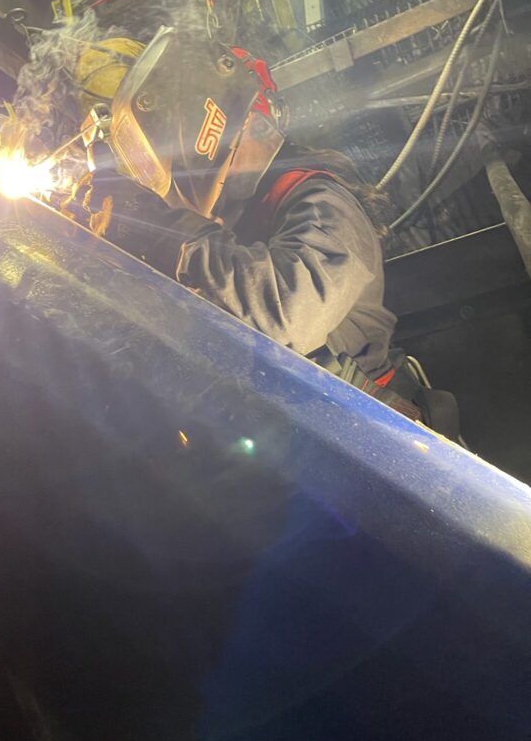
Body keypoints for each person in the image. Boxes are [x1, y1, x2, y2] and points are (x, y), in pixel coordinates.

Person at [73, 26, 459, 437]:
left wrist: (165, 234)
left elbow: (288, 313)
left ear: (212, 128)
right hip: (292, 438)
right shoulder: (229, 219)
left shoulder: (322, 201)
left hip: (376, 440)